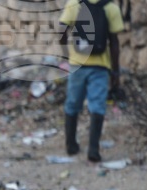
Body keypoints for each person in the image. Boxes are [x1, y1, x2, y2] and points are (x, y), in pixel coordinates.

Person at [58, 0, 124, 162]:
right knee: (97, 106)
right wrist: (115, 72)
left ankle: (71, 145)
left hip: (77, 64)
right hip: (100, 66)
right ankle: (93, 149)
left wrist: (66, 54)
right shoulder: (111, 7)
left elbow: (61, 32)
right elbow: (114, 43)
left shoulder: (74, 4)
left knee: (73, 103)